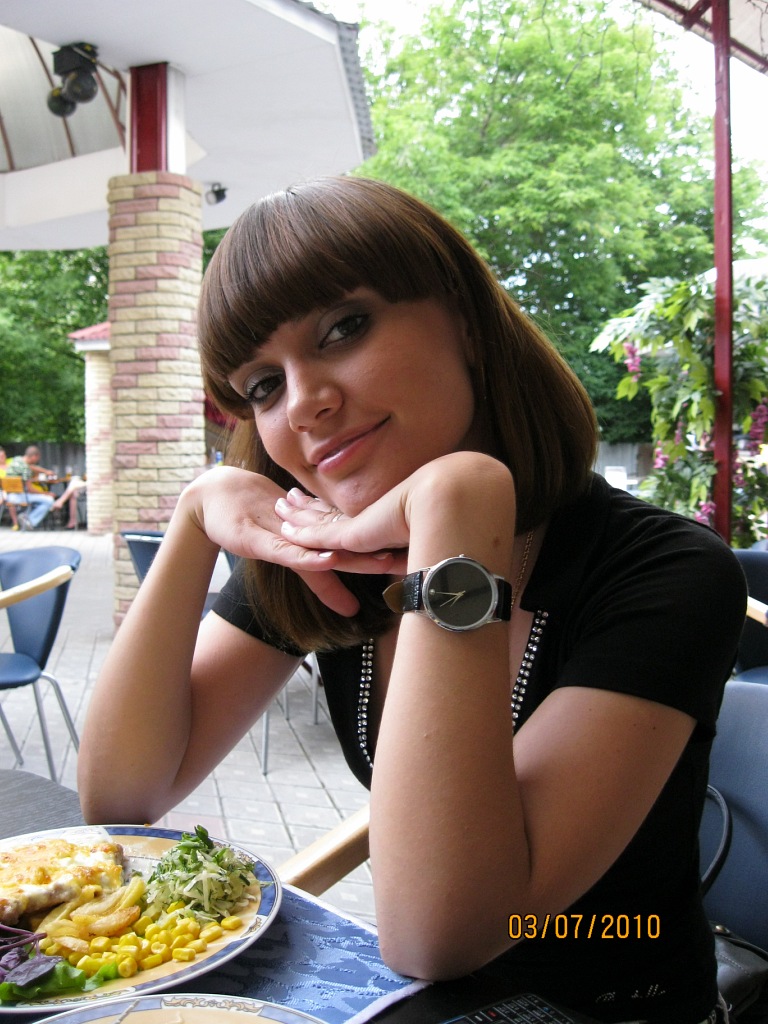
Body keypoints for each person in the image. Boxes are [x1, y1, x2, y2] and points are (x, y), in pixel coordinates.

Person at [78, 177, 746, 1024]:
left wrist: (458, 506)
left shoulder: (667, 573)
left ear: (465, 320)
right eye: (263, 386)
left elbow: (441, 931)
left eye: (343, 328)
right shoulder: (327, 555)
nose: (304, 403)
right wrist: (193, 521)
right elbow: (122, 795)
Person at [4, 445, 55, 530]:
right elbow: (30, 490)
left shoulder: (16, 460)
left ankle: (25, 520)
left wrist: (45, 471)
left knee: (41, 501)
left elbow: (31, 467)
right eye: (37, 458)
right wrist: (46, 493)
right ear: (34, 456)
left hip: (9, 496)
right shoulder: (25, 469)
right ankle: (30, 520)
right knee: (49, 500)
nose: (37, 461)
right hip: (20, 497)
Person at [0, 447, 20, 529]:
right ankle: (16, 523)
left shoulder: (12, 462)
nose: (2, 458)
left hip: (16, 489)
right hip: (3, 490)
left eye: (3, 456)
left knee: (10, 499)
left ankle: (16, 524)